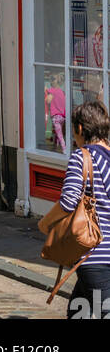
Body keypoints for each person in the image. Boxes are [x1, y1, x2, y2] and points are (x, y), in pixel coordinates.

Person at [61, 101, 110, 319]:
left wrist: (46, 225)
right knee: (77, 311)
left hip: (94, 256)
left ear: (80, 128)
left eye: (73, 129)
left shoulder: (82, 156)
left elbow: (68, 202)